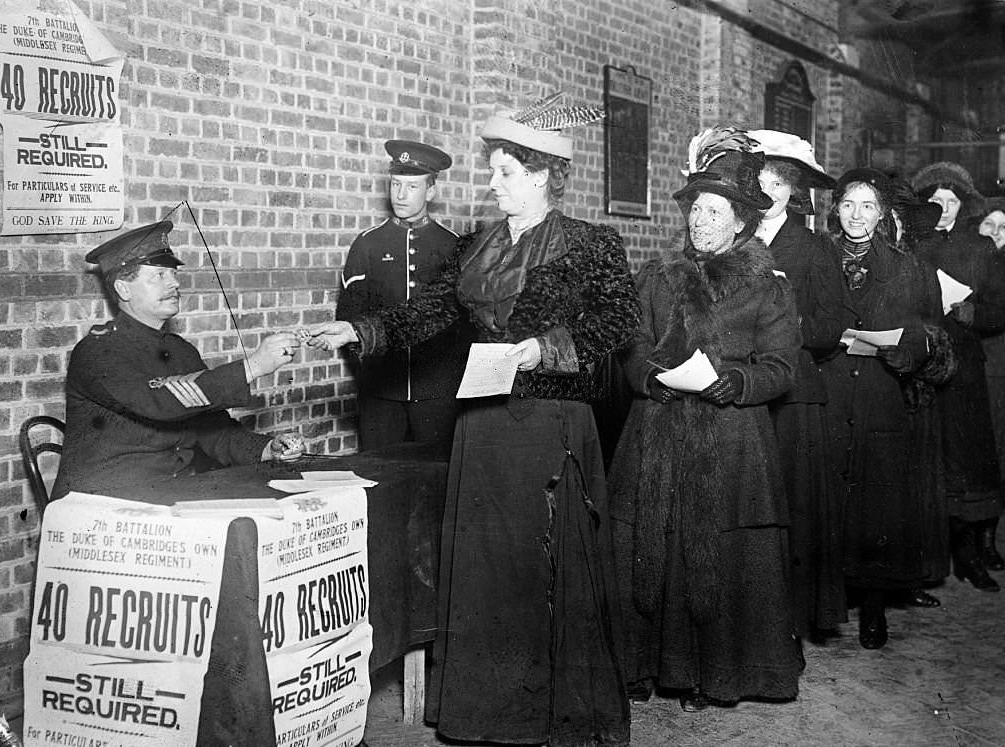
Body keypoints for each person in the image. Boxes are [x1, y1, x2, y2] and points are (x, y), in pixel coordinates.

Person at [306, 93, 638, 746]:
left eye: (504, 171)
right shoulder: (474, 248)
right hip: (484, 429)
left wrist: (546, 346)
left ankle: (553, 713)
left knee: (542, 570)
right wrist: (360, 327)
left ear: (542, 175)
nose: (491, 183)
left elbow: (615, 322)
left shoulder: (592, 244)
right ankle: (491, 715)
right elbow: (427, 313)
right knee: (490, 569)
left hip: (550, 427)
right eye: (492, 171)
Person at [609, 128, 803, 710]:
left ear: (741, 222)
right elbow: (632, 344)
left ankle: (712, 674)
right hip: (658, 432)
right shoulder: (660, 276)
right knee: (651, 546)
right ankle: (644, 666)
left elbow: (780, 367)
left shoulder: (766, 287)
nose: (701, 221)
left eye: (714, 211)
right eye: (696, 209)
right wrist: (647, 377)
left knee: (721, 557)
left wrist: (734, 383)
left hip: (732, 441)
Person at [51, 220, 304, 501]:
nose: (174, 283)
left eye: (173, 274)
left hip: (169, 495)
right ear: (123, 289)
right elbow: (160, 402)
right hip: (102, 502)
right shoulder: (97, 352)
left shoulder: (180, 351)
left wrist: (267, 449)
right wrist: (253, 366)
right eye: (159, 275)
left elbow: (211, 429)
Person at [817, 168, 943, 649]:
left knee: (877, 507)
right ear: (836, 210)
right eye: (848, 204)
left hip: (881, 394)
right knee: (830, 499)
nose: (856, 215)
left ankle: (873, 607)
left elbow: (929, 336)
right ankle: (828, 603)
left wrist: (905, 354)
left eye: (867, 206)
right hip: (829, 392)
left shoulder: (909, 268)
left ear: (884, 214)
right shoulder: (819, 259)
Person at [750, 129, 846, 636]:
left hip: (793, 395)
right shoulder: (731, 239)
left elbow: (832, 325)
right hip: (741, 389)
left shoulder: (813, 249)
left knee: (790, 508)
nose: (767, 190)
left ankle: (786, 624)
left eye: (777, 182)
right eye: (759, 179)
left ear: (793, 192)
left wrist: (784, 324)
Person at [335, 139, 472, 452]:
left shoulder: (453, 247)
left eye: (412, 187)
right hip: (380, 393)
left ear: (431, 191)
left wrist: (449, 379)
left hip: (438, 393)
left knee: (437, 480)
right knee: (377, 478)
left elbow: (465, 326)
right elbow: (349, 319)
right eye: (396, 184)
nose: (400, 195)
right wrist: (371, 375)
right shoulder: (367, 245)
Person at [912, 162, 1005, 590]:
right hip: (922, 364)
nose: (944, 208)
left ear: (963, 205)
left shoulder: (980, 247)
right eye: (936, 200)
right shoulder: (912, 244)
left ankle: (968, 555)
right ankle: (921, 562)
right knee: (923, 461)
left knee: (968, 464)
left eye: (952, 201)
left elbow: (1001, 312)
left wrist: (974, 314)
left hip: (966, 371)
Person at [977, 195, 1005, 550]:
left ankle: (990, 537)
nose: (995, 233)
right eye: (988, 224)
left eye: (1003, 227)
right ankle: (975, 540)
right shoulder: (965, 261)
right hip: (970, 368)